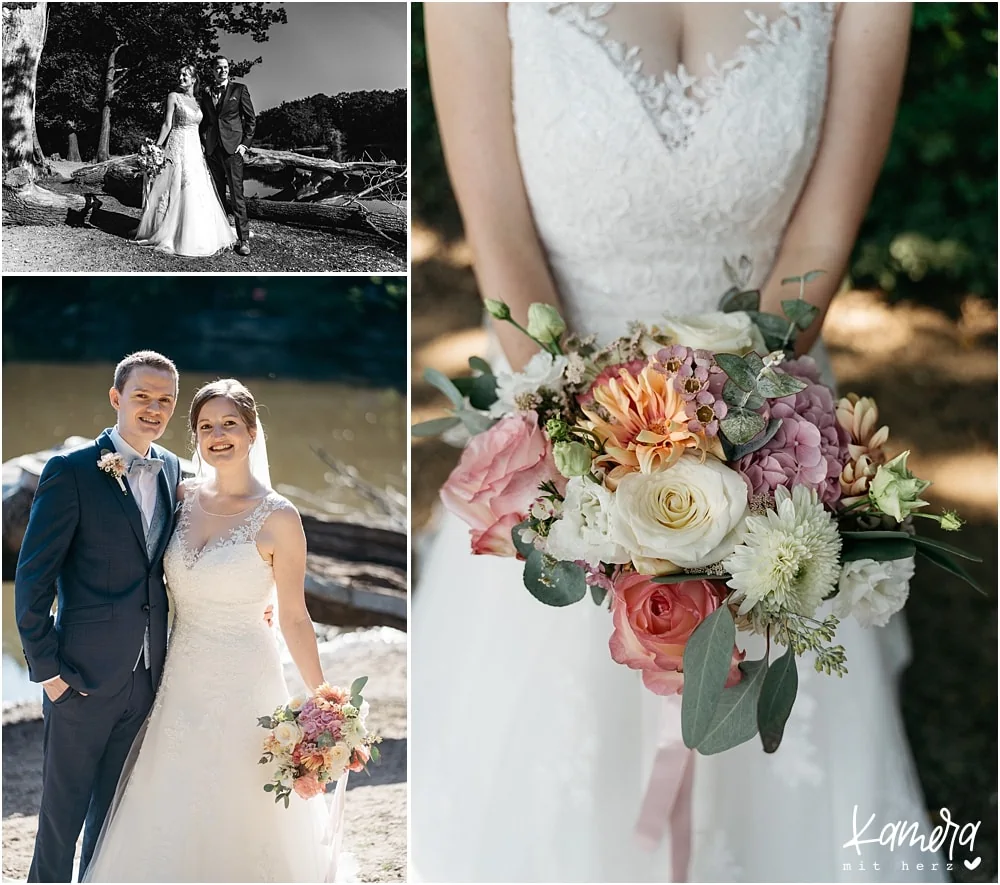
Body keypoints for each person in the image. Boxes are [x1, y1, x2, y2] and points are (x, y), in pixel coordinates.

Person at [411, 3, 944, 882]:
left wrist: (739, 443)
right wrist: (588, 450)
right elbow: (500, 226)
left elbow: (818, 235)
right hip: (564, 422)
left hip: (769, 413)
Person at [81, 378, 351, 882]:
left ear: (251, 432)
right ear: (196, 438)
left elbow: (293, 615)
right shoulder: (179, 495)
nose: (218, 435)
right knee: (169, 796)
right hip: (180, 677)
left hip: (247, 676)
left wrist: (324, 698)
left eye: (230, 423)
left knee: (243, 796)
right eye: (206, 426)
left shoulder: (280, 518)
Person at [15, 352, 185, 882]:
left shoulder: (175, 469)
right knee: (60, 818)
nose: (153, 409)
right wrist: (48, 673)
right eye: (142, 396)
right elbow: (33, 580)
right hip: (79, 678)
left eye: (164, 400)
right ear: (116, 398)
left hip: (144, 679)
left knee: (112, 818)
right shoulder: (70, 472)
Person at [133, 64, 237, 257]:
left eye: (185, 75)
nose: (180, 78)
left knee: (196, 188)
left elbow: (205, 125)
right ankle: (171, 232)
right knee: (176, 187)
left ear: (194, 79)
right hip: (177, 145)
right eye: (179, 75)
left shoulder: (199, 102)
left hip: (195, 148)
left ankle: (196, 233)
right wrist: (156, 148)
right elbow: (167, 124)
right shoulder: (174, 96)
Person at [199, 55, 256, 257]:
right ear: (213, 70)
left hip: (233, 150)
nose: (222, 70)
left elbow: (251, 120)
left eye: (225, 67)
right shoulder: (205, 93)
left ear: (228, 70)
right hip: (212, 149)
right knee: (217, 194)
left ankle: (243, 240)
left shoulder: (239, 90)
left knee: (237, 195)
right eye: (218, 68)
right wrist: (203, 143)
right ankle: (220, 235)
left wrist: (244, 146)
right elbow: (204, 121)